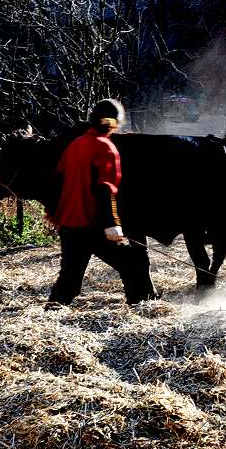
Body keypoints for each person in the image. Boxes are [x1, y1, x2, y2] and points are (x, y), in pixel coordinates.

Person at [46, 98, 156, 308]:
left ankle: (49, 316)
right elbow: (104, 188)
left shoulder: (75, 145)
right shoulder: (105, 148)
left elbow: (57, 182)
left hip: (70, 226)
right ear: (114, 123)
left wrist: (55, 214)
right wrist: (112, 225)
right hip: (93, 225)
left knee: (69, 280)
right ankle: (144, 311)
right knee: (134, 264)